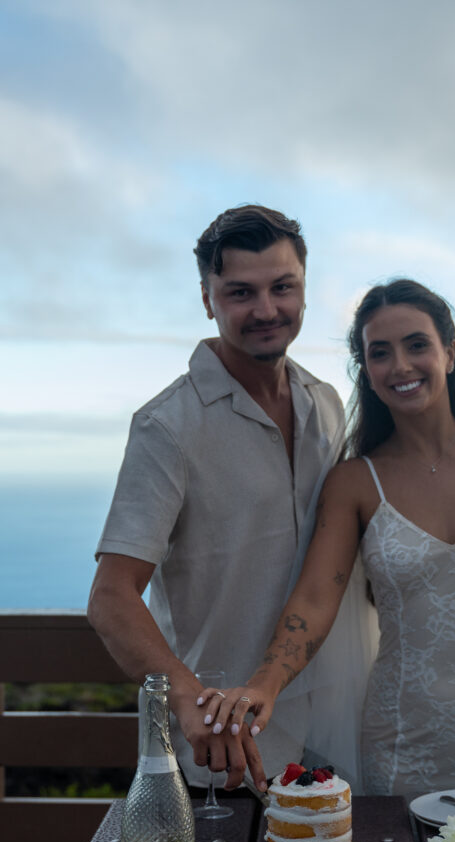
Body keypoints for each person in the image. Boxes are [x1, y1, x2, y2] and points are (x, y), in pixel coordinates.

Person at [203, 279, 455, 806]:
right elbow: (312, 602)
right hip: (407, 741)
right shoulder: (355, 482)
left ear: (449, 353)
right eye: (380, 353)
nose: (400, 365)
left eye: (416, 344)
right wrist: (264, 685)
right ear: (367, 373)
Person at [87, 204, 346, 794]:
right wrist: (189, 702)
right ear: (207, 299)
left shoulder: (325, 402)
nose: (265, 310)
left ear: (304, 287)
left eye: (283, 287)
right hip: (222, 750)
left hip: (333, 732)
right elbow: (110, 597)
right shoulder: (167, 425)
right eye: (239, 292)